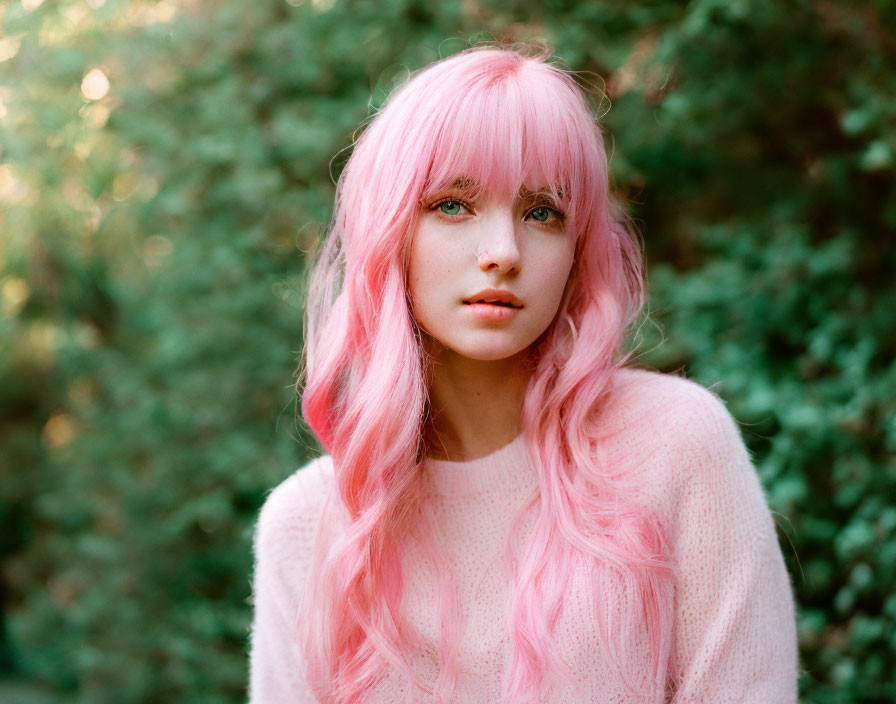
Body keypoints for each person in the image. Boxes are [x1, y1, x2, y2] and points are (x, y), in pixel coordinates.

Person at [248, 44, 800, 703]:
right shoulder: (307, 525)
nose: (503, 253)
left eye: (542, 213)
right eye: (453, 205)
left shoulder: (676, 446)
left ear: (577, 248)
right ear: (388, 232)